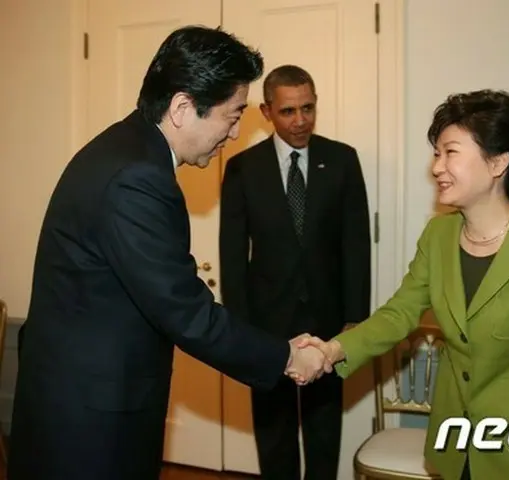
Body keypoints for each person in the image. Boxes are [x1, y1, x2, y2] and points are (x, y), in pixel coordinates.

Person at [9, 26, 327, 480]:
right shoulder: (136, 177)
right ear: (182, 108)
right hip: (90, 425)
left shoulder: (128, 151)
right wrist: (286, 357)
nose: (235, 134)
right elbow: (186, 312)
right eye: (232, 115)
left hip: (89, 403)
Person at [297, 89, 509, 480]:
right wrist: (332, 350)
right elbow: (398, 313)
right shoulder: (437, 237)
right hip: (454, 443)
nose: (437, 167)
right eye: (436, 153)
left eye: (450, 152)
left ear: (498, 163)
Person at [219, 64, 371, 480]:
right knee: (274, 435)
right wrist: (240, 328)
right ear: (267, 112)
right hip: (267, 328)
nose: (300, 120)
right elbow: (232, 255)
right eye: (288, 111)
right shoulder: (242, 169)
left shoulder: (342, 160)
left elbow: (356, 246)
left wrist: (354, 322)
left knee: (324, 435)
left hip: (328, 326)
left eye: (308, 108)